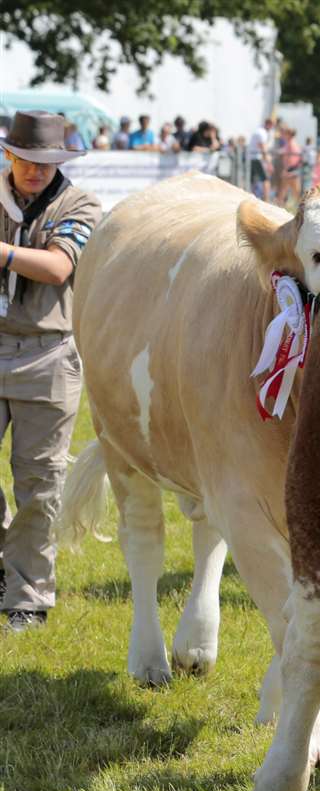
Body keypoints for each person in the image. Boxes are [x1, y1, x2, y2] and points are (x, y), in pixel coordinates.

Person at [0, 112, 104, 630]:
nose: (36, 171)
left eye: (47, 163)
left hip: (47, 353)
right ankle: (7, 561)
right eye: (27, 161)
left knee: (40, 484)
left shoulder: (79, 204)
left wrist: (3, 253)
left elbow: (59, 266)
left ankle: (28, 596)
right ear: (9, 155)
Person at [248, 117, 273, 199]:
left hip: (252, 157)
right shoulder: (262, 133)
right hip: (256, 158)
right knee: (266, 180)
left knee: (252, 181)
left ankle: (252, 198)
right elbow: (263, 147)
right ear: (269, 125)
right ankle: (266, 201)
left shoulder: (258, 131)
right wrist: (269, 162)